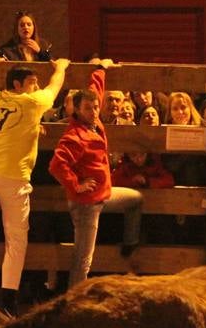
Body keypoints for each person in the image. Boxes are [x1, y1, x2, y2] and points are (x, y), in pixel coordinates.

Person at [0, 55, 70, 320]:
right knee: (17, 242)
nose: (36, 87)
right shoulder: (33, 102)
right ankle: (7, 303)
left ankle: (7, 300)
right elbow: (55, 87)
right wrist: (60, 67)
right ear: (18, 84)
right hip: (12, 180)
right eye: (32, 82)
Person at [48, 59, 143, 286]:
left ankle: (129, 244)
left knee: (136, 200)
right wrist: (76, 185)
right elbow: (56, 165)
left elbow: (95, 90)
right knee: (83, 259)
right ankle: (73, 301)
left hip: (103, 194)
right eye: (88, 109)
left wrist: (101, 68)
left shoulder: (95, 121)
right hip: (86, 204)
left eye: (95, 107)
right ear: (77, 110)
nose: (93, 111)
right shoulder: (74, 137)